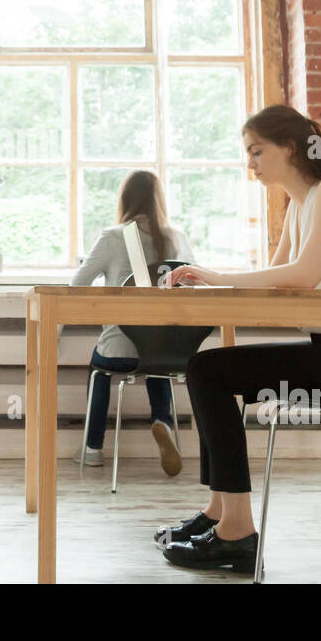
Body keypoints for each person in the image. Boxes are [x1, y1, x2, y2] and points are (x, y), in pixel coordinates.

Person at [154, 105, 321, 571]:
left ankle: (237, 533)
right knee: (209, 369)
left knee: (207, 371)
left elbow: (305, 275)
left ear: (289, 148)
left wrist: (215, 277)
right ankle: (220, 513)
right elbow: (279, 283)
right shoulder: (300, 204)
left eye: (257, 151)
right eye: (247, 153)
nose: (250, 163)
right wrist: (211, 280)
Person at [72, 170, 195, 475]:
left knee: (99, 370)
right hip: (169, 350)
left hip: (120, 349)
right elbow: (194, 285)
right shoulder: (175, 238)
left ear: (125, 199)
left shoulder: (113, 237)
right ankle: (162, 422)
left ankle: (92, 449)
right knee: (157, 363)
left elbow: (77, 285)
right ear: (159, 201)